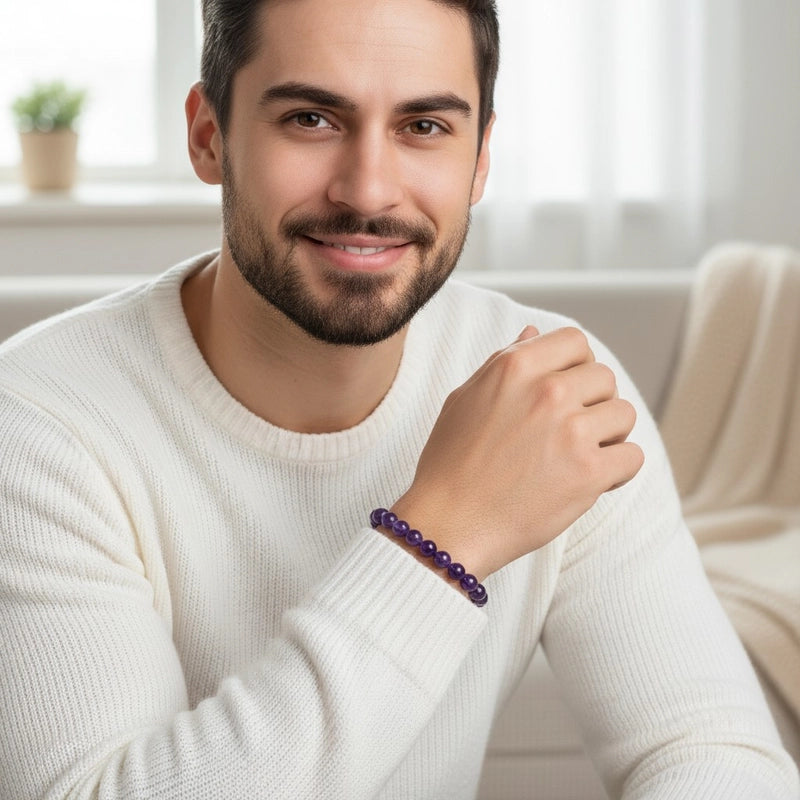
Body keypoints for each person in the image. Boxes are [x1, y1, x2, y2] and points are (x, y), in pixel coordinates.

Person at [0, 0, 797, 797]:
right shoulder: (41, 421)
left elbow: (710, 750)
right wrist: (441, 537)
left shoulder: (551, 394)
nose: (368, 191)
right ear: (210, 135)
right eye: (311, 119)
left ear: (482, 157)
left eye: (424, 127)